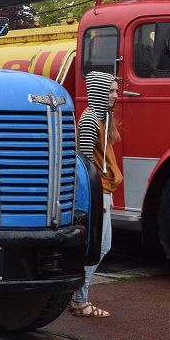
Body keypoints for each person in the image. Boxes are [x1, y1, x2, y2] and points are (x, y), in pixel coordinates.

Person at [70, 71, 122, 318]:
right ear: (99, 93)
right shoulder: (91, 121)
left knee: (103, 245)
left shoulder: (102, 119)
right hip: (98, 193)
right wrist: (95, 197)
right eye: (111, 91)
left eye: (115, 90)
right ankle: (79, 300)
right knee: (98, 246)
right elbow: (86, 162)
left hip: (103, 191)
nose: (116, 95)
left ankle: (77, 297)